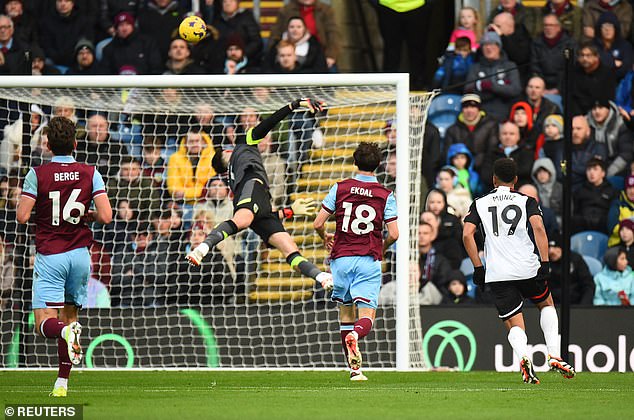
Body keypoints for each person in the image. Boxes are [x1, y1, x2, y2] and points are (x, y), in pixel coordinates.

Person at [185, 98, 333, 292]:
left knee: (289, 248)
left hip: (259, 200)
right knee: (243, 220)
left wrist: (289, 211)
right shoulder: (243, 144)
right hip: (253, 186)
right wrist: (294, 105)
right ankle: (203, 247)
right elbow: (269, 122)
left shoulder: (233, 177)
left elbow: (263, 212)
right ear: (228, 151)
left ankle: (321, 276)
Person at [15, 116, 113, 396]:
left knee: (44, 321)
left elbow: (22, 216)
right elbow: (106, 216)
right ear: (75, 143)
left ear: (47, 144)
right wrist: (87, 213)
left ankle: (65, 336)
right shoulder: (90, 171)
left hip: (51, 255)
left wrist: (44, 211)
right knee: (70, 318)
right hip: (81, 255)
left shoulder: (38, 173)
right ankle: (62, 383)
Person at [463, 157, 575, 384]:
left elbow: (467, 234)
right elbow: (539, 228)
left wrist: (478, 267)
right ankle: (554, 354)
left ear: (493, 179)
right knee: (546, 304)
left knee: (515, 324)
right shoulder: (527, 200)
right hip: (528, 267)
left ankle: (525, 358)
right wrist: (545, 263)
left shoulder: (480, 202)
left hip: (498, 273)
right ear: (515, 180)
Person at [313, 142, 398, 381]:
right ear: (379, 165)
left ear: (354, 162)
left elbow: (318, 223)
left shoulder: (340, 188)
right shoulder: (385, 195)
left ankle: (355, 370)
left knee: (346, 314)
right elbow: (395, 233)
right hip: (367, 259)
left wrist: (324, 238)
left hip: (340, 258)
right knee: (366, 316)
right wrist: (381, 247)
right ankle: (357, 336)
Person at [464, 30, 522, 122]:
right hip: (481, 115)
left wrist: (490, 87)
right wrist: (502, 88)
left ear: (499, 47)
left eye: (492, 44)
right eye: (485, 45)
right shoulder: (475, 68)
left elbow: (515, 90)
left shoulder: (510, 66)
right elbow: (469, 91)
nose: (488, 48)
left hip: (505, 114)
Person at [530, 14, 577, 93]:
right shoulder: (536, 44)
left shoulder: (569, 44)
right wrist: (541, 88)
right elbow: (535, 67)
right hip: (542, 86)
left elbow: (569, 69)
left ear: (558, 27)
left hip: (563, 87)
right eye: (545, 25)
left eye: (551, 25)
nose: (548, 28)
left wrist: (558, 89)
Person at [547, 231, 595, 304]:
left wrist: (583, 308)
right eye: (549, 247)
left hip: (576, 305)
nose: (551, 251)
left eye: (555, 247)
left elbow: (588, 285)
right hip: (552, 307)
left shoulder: (576, 259)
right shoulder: (545, 263)